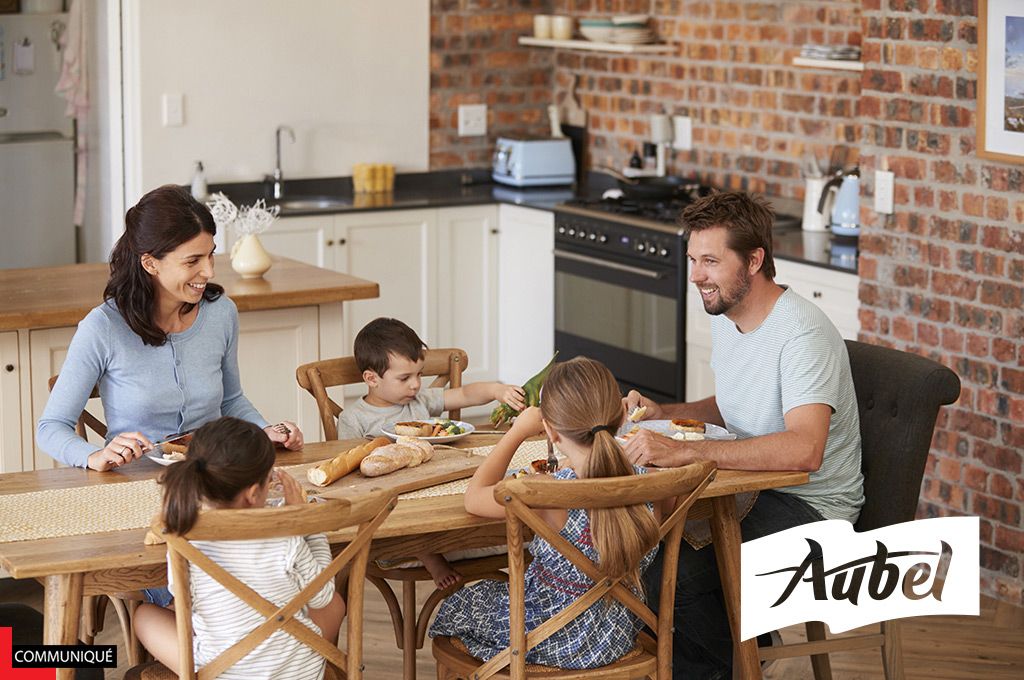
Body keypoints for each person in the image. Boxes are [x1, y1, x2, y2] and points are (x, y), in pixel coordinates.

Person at [622, 191, 864, 679]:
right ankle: (745, 654)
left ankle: (741, 664)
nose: (696, 276)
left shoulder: (801, 336)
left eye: (710, 261)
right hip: (750, 488)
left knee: (671, 576)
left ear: (755, 260)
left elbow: (805, 448)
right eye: (693, 259)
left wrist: (685, 453)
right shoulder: (731, 317)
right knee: (638, 549)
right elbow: (734, 407)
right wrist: (664, 412)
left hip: (810, 507)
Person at [37, 184, 303, 473]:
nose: (210, 271)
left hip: (214, 475)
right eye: (193, 261)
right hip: (132, 481)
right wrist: (93, 455)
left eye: (210, 255)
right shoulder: (104, 327)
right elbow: (52, 427)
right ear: (150, 263)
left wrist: (264, 430)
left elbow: (231, 399)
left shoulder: (221, 313)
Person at [429, 357, 667, 669]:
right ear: (622, 416)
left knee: (460, 602)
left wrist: (516, 433)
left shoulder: (544, 491)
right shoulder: (653, 481)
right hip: (616, 634)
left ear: (551, 433)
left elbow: (474, 498)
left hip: (546, 635)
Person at [133, 417, 345, 679]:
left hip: (220, 671)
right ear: (254, 493)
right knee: (332, 602)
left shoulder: (182, 534)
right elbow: (323, 596)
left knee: (145, 615)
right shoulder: (285, 536)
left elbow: (181, 596)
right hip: (298, 673)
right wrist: (305, 524)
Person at [338, 316, 525, 589]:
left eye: (419, 375)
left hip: (435, 481)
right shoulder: (354, 419)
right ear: (371, 378)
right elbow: (350, 470)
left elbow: (465, 395)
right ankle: (430, 555)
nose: (415, 385)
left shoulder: (419, 401)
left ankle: (475, 539)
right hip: (393, 500)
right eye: (404, 378)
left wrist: (497, 390)